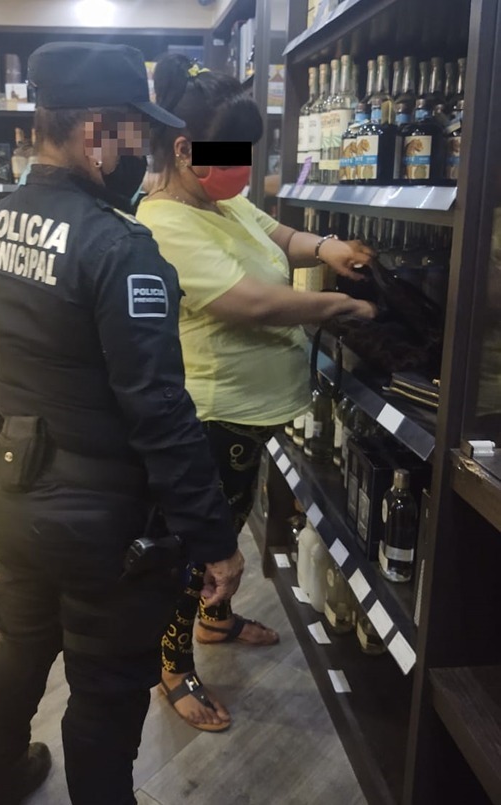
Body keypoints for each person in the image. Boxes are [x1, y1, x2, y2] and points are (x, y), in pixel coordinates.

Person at [0, 42, 244, 805]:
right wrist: (214, 536)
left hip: (13, 492)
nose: (139, 153)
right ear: (95, 133)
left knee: (19, 641)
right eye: (133, 134)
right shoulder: (121, 248)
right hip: (105, 525)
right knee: (105, 684)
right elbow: (160, 411)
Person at [136, 54, 376, 733]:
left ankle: (215, 620)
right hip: (213, 415)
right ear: (183, 149)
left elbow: (280, 235)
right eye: (231, 152)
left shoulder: (221, 200)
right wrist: (338, 307)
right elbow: (247, 302)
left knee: (230, 521)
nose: (242, 166)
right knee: (199, 544)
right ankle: (172, 664)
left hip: (251, 412)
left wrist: (324, 247)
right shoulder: (164, 222)